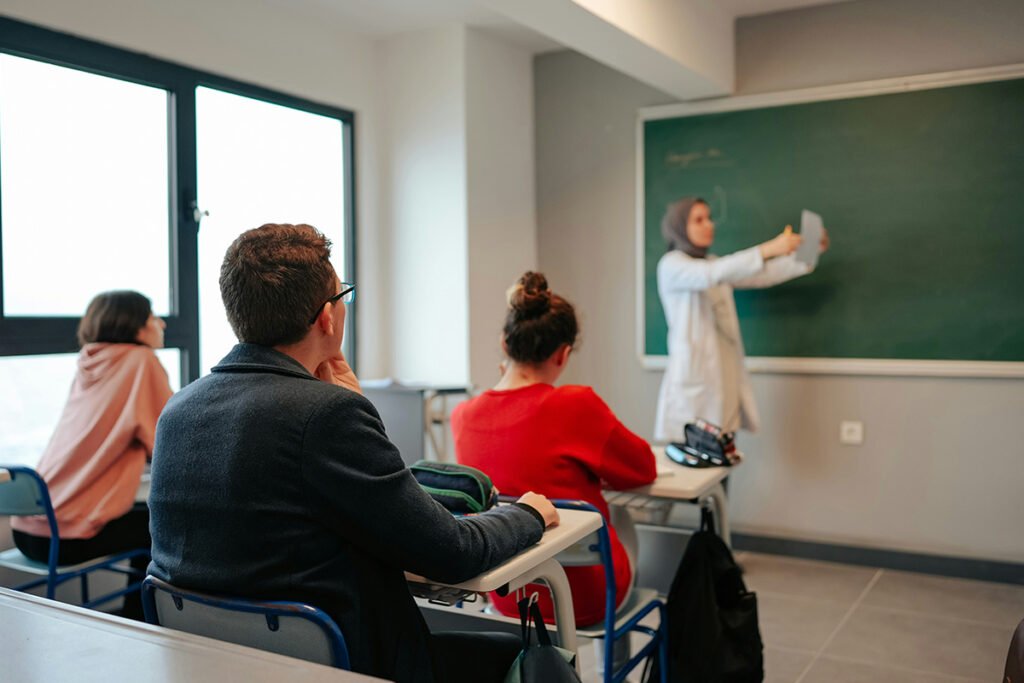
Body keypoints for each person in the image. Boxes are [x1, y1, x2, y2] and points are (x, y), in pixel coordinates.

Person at [147, 223, 558, 683]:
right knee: (524, 652)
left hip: (224, 666)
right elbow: (452, 552)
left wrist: (347, 405)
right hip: (344, 666)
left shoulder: (178, 409)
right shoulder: (327, 415)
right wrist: (529, 514)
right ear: (327, 317)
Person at [452, 271, 656, 628]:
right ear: (562, 355)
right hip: (586, 599)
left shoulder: (462, 416)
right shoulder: (576, 405)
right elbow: (643, 469)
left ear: (504, 343)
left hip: (508, 595)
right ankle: (617, 656)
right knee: (620, 517)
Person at [11, 290, 173, 619]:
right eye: (152, 315)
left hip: (28, 530)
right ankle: (143, 622)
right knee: (162, 523)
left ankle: (137, 616)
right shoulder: (142, 361)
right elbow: (170, 444)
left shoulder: (89, 359)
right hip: (69, 537)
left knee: (146, 515)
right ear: (135, 326)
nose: (162, 323)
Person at [654, 197, 829, 442]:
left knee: (723, 460)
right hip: (693, 388)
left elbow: (763, 274)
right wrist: (769, 248)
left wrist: (807, 253)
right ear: (680, 227)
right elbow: (711, 275)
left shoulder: (714, 262)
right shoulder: (672, 265)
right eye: (699, 220)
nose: (709, 225)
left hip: (724, 380)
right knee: (697, 467)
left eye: (709, 217)